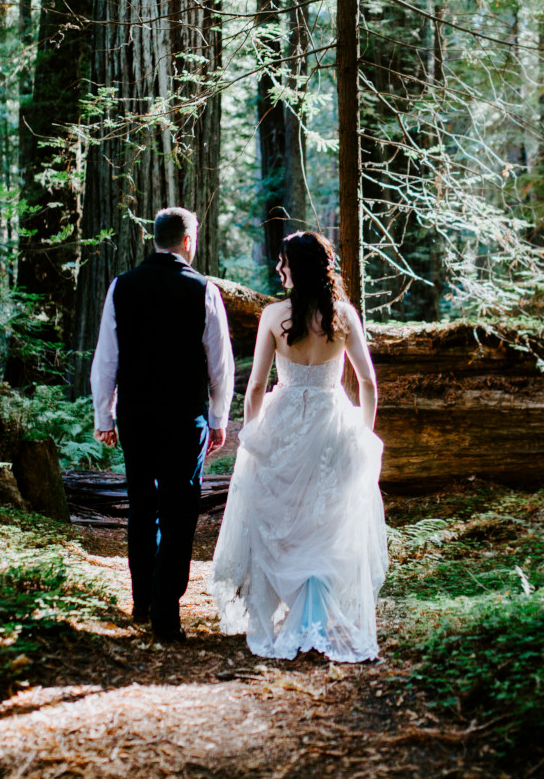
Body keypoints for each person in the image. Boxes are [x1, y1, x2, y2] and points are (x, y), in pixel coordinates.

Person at [210, 231, 387, 662]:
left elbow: (254, 387)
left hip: (284, 421)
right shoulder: (343, 315)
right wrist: (363, 433)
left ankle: (283, 615)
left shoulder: (274, 316)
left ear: (298, 267)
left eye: (283, 262)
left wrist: (252, 434)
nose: (278, 269)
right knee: (324, 523)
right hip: (332, 422)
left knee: (280, 520)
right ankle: (315, 614)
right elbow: (367, 383)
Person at [90, 207, 233, 644]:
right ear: (188, 241)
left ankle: (142, 601)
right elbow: (220, 364)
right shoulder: (204, 290)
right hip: (184, 416)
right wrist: (218, 419)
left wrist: (104, 416)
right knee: (180, 509)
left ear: (155, 240)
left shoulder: (121, 287)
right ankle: (166, 613)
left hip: (135, 413)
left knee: (142, 503)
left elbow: (106, 360)